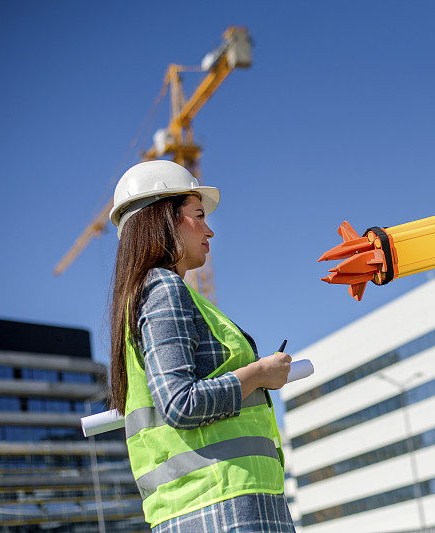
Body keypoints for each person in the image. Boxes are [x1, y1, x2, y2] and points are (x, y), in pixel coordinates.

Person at [107, 160, 295, 532]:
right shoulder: (163, 290)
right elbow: (180, 403)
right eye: (197, 214)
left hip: (214, 502)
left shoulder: (152, 294)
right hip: (222, 503)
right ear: (162, 219)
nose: (209, 230)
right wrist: (260, 373)